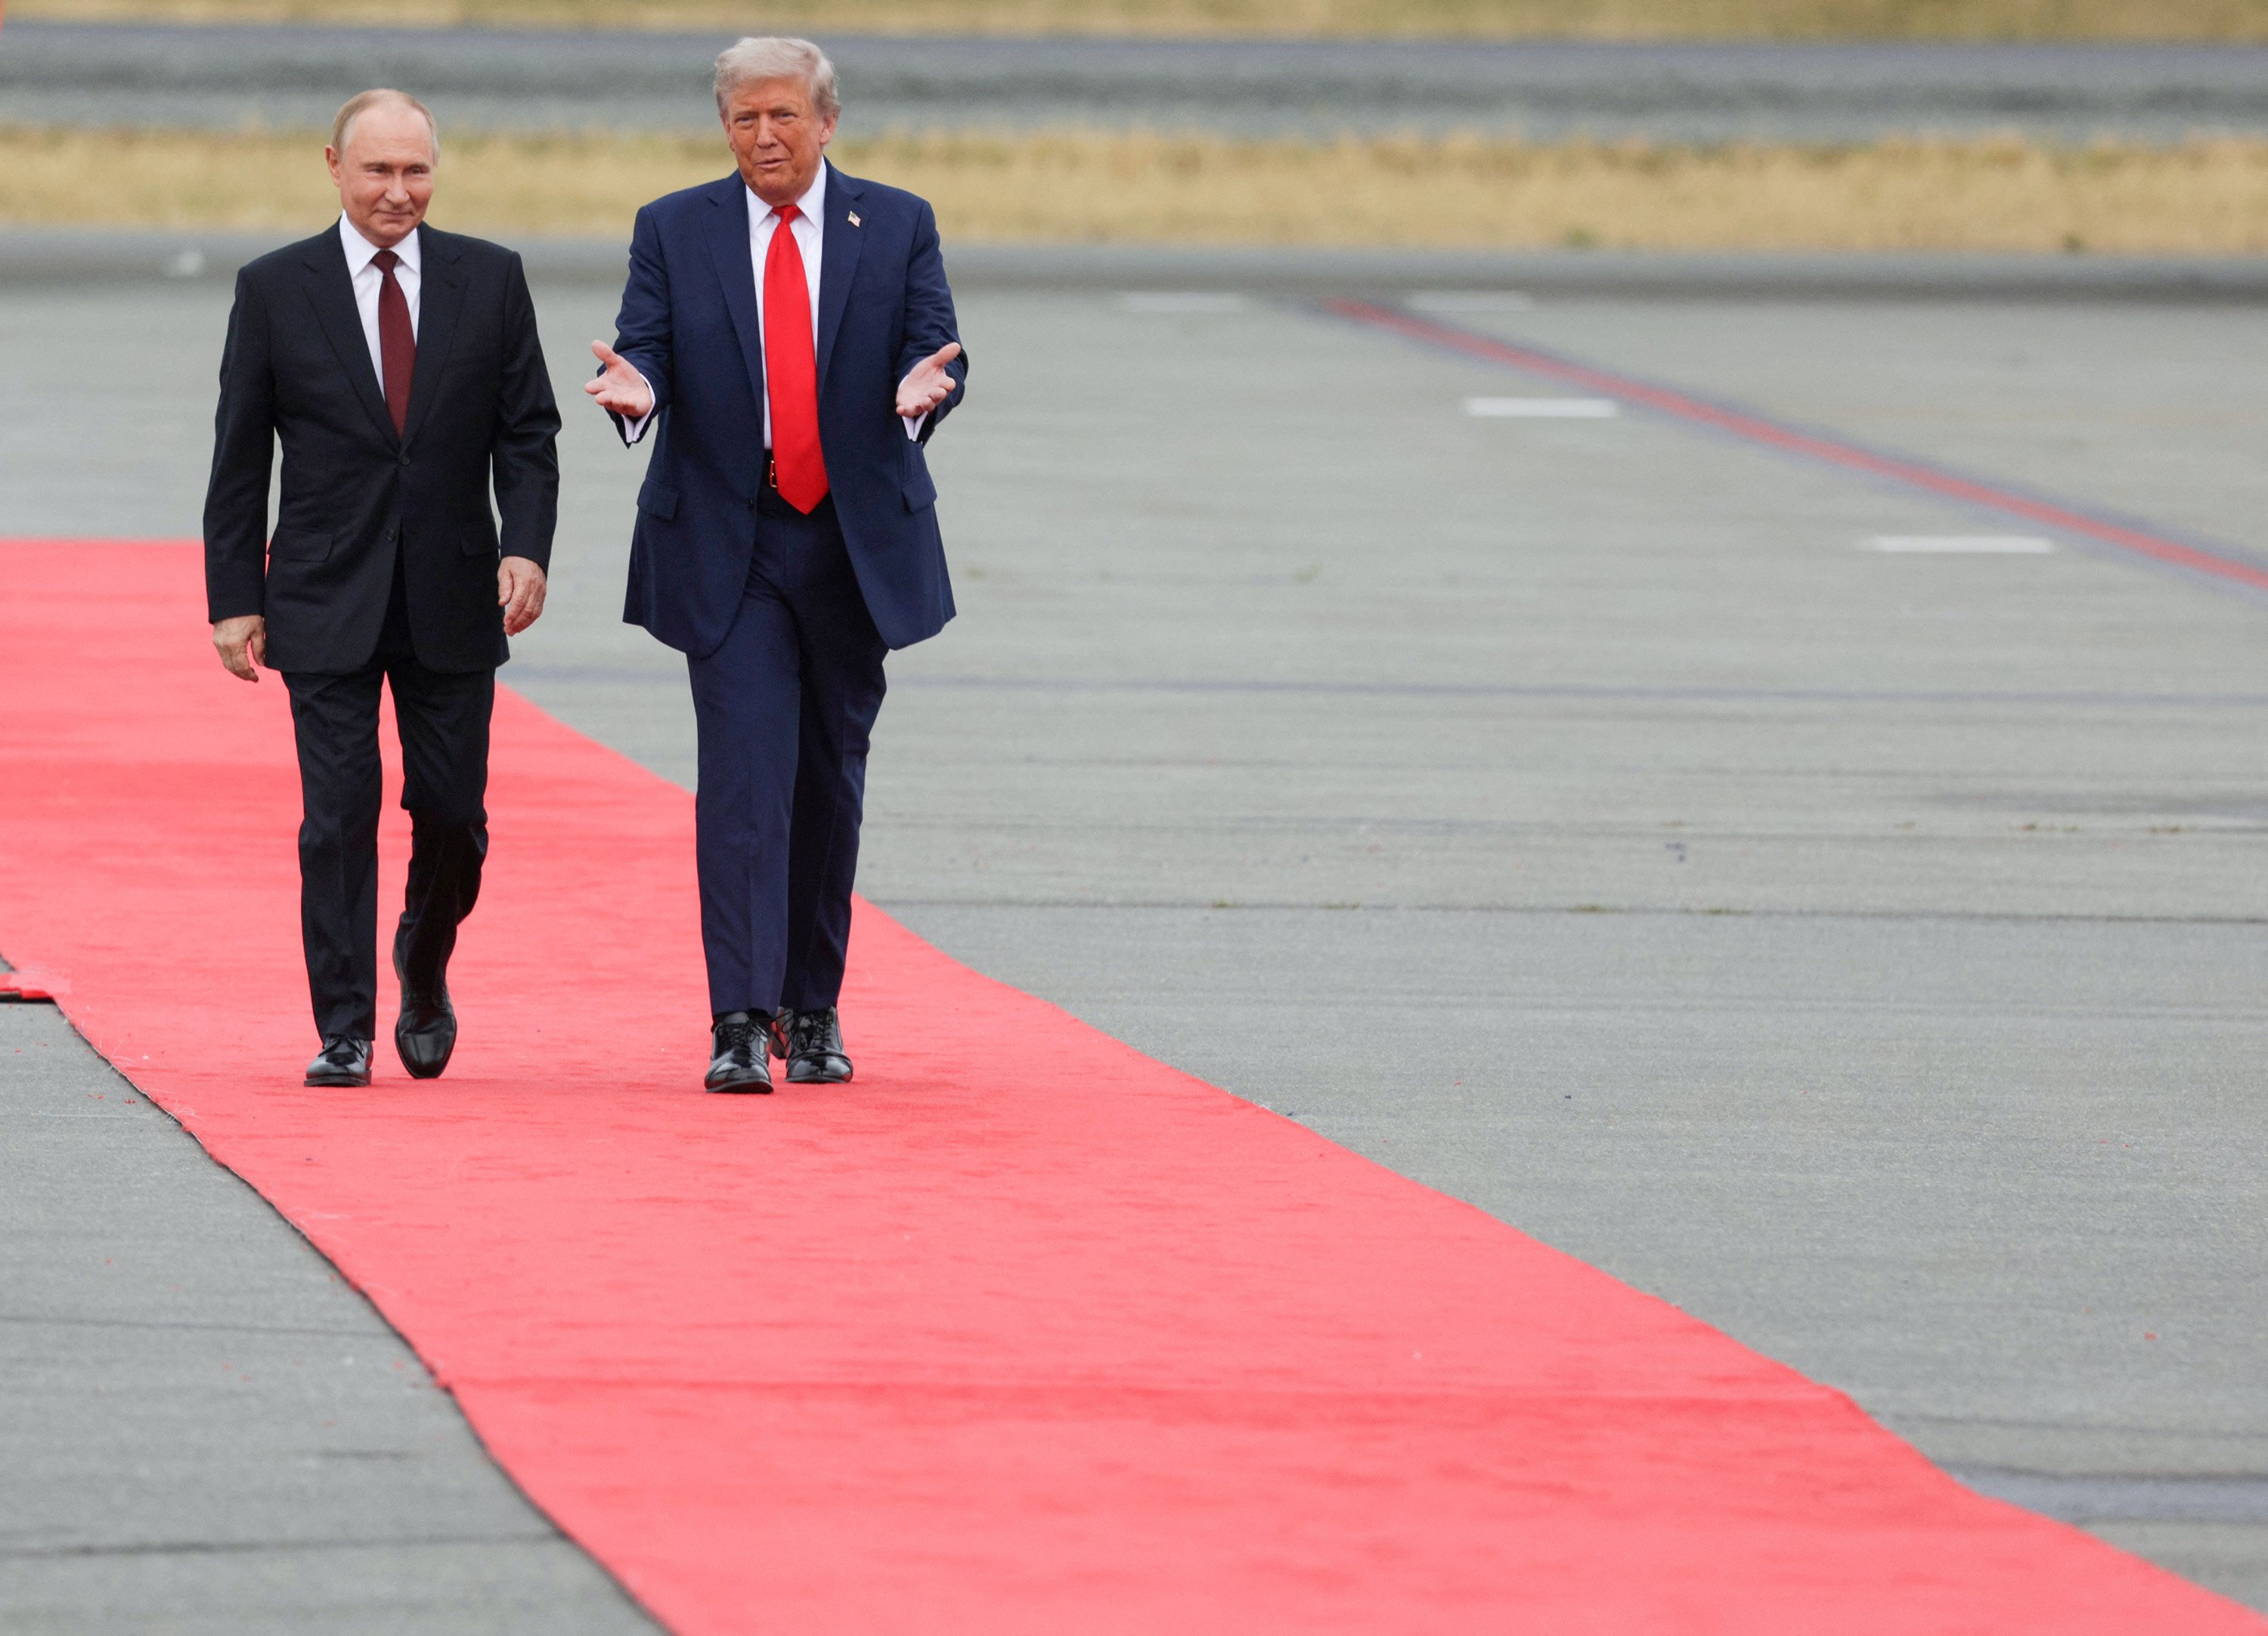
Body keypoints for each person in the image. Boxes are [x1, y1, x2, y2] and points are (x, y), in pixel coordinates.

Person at [586, 36, 966, 1093]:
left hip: (852, 542)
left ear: (827, 121)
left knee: (829, 780)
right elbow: (644, 347)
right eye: (746, 118)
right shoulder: (674, 227)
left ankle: (814, 1005)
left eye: (785, 116)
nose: (765, 135)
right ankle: (739, 1019)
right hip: (731, 535)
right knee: (745, 777)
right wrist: (639, 395)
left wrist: (927, 391)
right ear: (725, 127)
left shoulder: (895, 223)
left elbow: (935, 345)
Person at [203, 89, 561, 1089]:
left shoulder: (490, 280)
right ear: (333, 167)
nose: (398, 191)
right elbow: (238, 460)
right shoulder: (275, 288)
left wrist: (526, 546)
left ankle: (426, 957)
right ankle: (346, 1025)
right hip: (323, 593)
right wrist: (235, 595)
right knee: (338, 814)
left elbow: (528, 434)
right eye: (378, 172)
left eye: (415, 172)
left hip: (455, 592)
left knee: (452, 814)